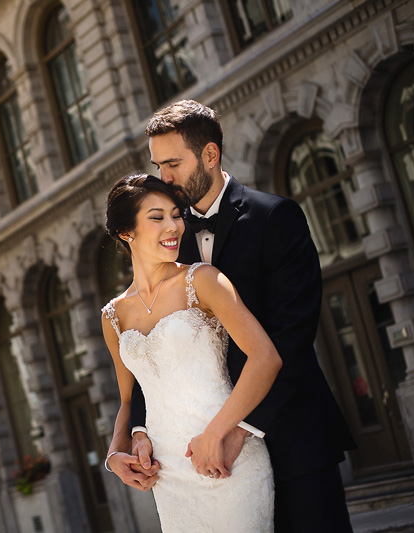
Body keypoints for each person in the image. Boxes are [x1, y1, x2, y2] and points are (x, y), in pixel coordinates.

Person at [106, 100, 356, 532]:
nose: (163, 178)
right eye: (158, 166)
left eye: (172, 164)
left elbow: (291, 340)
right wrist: (137, 434)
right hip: (196, 464)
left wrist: (238, 428)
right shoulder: (166, 238)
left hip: (291, 433)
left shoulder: (275, 217)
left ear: (209, 155)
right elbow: (153, 363)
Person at [101, 174, 282, 531]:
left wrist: (218, 434)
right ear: (126, 232)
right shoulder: (113, 316)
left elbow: (266, 358)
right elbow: (129, 399)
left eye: (175, 214)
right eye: (157, 217)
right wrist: (114, 457)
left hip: (227, 455)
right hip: (168, 475)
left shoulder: (203, 280)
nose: (173, 226)